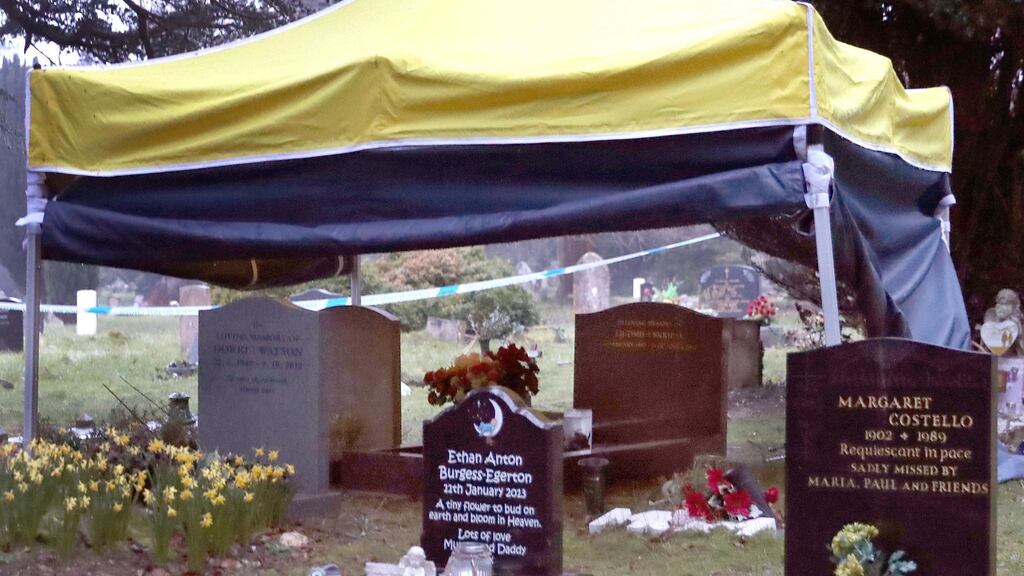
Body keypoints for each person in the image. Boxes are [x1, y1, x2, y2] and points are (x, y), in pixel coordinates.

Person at [981, 289, 1024, 356]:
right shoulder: (990, 319)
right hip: (993, 358)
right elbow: (984, 346)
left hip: (1011, 358)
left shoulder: (1016, 322)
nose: (1001, 307)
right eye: (999, 303)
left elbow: (1021, 350)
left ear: (1013, 307)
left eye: (1006, 304)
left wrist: (1019, 335)